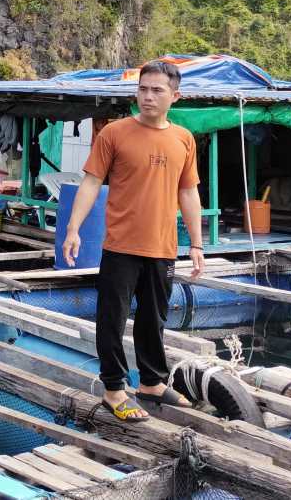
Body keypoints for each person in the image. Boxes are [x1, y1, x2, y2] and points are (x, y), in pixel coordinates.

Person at [61, 60, 206, 422]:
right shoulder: (114, 133)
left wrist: (198, 245)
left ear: (175, 96)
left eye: (157, 90)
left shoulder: (183, 139)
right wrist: (73, 228)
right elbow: (91, 182)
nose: (148, 96)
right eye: (143, 89)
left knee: (154, 318)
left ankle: (153, 383)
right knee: (112, 317)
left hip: (163, 246)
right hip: (121, 246)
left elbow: (188, 193)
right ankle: (114, 389)